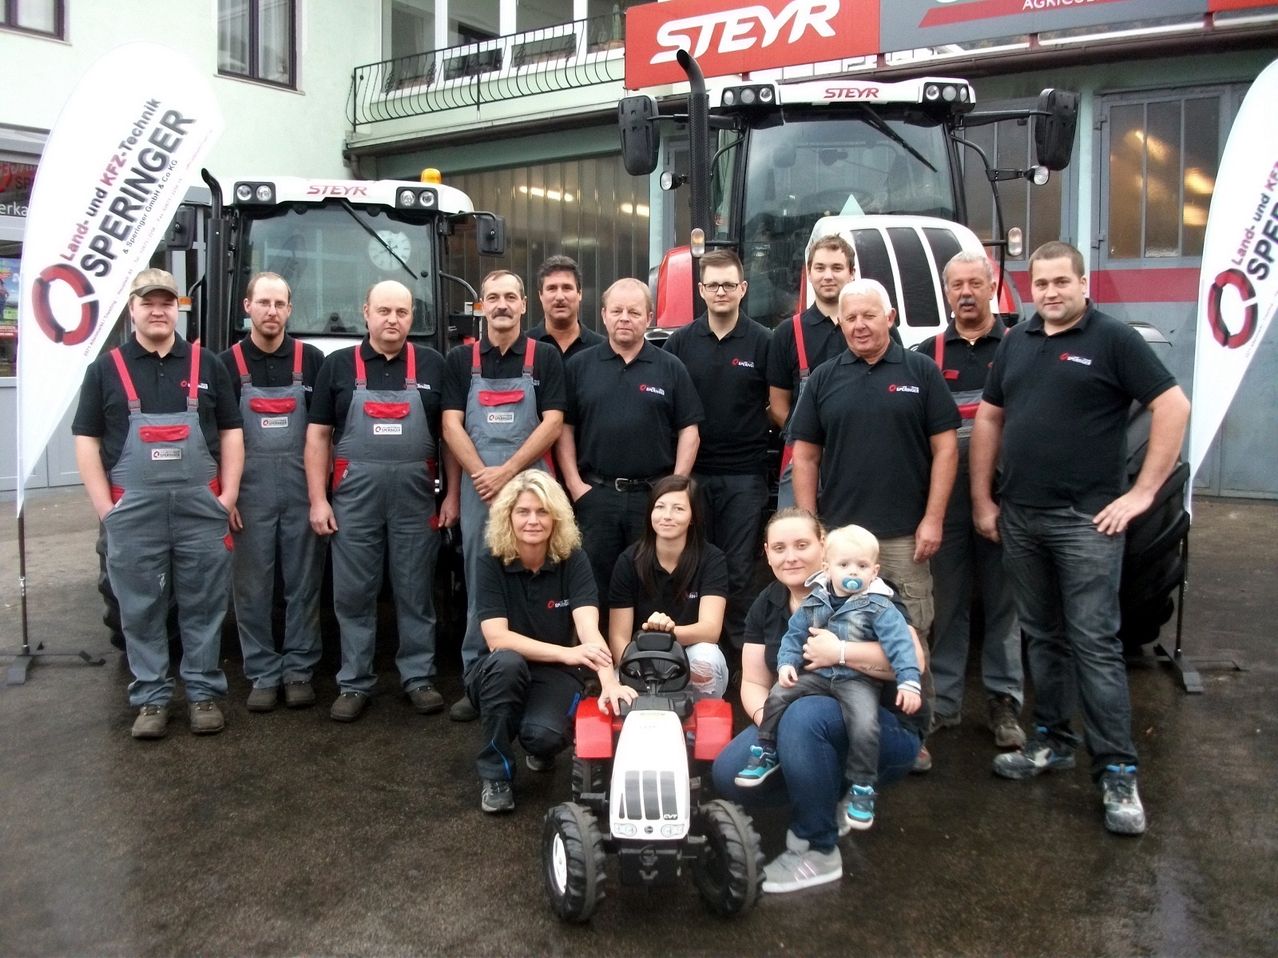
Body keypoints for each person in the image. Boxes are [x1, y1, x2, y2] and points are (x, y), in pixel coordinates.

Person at [970, 241, 1190, 835]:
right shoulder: (1017, 342)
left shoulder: (1114, 340)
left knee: (1094, 643)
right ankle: (1052, 741)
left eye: (1062, 282)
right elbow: (990, 416)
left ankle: (1117, 770)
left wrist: (1142, 494)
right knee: (1042, 637)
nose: (1051, 292)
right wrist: (984, 498)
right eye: (1041, 283)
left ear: (1082, 282)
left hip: (1086, 522)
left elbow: (1172, 407)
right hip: (1022, 516)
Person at [711, 509, 929, 892]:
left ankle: (818, 848)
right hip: (803, 716)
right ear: (767, 553)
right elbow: (753, 683)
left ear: (823, 546)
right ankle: (826, 797)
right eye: (779, 548)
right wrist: (771, 724)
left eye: (801, 545)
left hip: (883, 728)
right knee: (729, 772)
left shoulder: (868, 588)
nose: (790, 556)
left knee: (805, 716)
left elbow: (913, 662)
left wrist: (841, 651)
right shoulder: (769, 602)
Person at [72, 268, 244, 739]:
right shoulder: (106, 369)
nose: (158, 310)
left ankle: (204, 693)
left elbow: (231, 431)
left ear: (178, 309)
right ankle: (151, 697)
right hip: (133, 513)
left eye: (166, 302)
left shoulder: (207, 365)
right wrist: (105, 508)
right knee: (142, 607)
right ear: (132, 309)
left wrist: (227, 494)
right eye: (148, 302)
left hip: (199, 512)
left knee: (203, 604)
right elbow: (86, 440)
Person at [305, 280, 458, 723]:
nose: (393, 319)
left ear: (413, 317)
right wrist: (319, 499)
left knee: (415, 591)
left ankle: (419, 677)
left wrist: (451, 494)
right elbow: (317, 438)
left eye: (402, 312)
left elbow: (448, 438)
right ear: (365, 312)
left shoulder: (433, 364)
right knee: (353, 593)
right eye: (384, 311)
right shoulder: (336, 367)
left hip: (415, 500)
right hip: (354, 500)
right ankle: (354, 682)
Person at [790, 277, 958, 644]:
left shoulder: (921, 371)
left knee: (911, 636)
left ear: (891, 317)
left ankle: (915, 703)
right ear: (840, 323)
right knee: (842, 635)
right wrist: (812, 528)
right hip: (841, 536)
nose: (859, 325)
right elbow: (804, 457)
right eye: (850, 318)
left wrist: (933, 519)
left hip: (905, 536)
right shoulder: (823, 378)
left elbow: (946, 449)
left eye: (869, 315)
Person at [464, 470, 636, 813]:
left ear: (556, 517)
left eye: (542, 512)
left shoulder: (573, 559)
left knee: (543, 737)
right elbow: (498, 639)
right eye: (523, 511)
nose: (533, 521)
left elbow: (589, 628)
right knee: (508, 663)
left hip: (555, 672)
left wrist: (609, 682)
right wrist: (570, 653)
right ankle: (496, 774)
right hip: (496, 669)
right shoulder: (491, 561)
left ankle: (535, 740)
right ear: (508, 516)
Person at [735, 524, 921, 831]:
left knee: (861, 720)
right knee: (779, 695)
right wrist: (785, 665)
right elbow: (793, 637)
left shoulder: (880, 603)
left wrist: (906, 679)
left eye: (861, 566)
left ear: (873, 571)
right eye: (845, 565)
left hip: (857, 684)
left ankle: (861, 787)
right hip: (819, 681)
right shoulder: (812, 600)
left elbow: (904, 649)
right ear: (828, 566)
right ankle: (768, 752)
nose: (853, 572)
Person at [442, 269, 566, 722]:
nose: (501, 305)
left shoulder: (545, 358)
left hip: (531, 483)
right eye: (492, 297)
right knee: (481, 579)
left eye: (510, 297)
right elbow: (450, 425)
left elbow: (553, 422)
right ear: (482, 306)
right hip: (480, 487)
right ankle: (477, 675)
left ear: (522, 305)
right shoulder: (461, 361)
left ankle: (540, 671)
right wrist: (482, 475)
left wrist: (509, 474)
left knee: (538, 574)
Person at [913, 251, 1025, 748]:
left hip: (1009, 493)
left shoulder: (1021, 347)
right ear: (945, 290)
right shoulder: (927, 354)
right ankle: (946, 702)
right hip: (946, 500)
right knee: (949, 603)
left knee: (1005, 605)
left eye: (974, 283)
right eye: (955, 284)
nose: (964, 292)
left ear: (991, 285)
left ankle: (1004, 704)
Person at [218, 272, 326, 712]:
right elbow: (220, 435)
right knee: (252, 587)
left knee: (304, 585)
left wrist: (322, 493)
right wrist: (228, 495)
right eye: (263, 303)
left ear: (289, 309)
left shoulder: (313, 360)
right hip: (250, 495)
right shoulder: (225, 365)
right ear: (248, 307)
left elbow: (324, 434)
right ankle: (262, 671)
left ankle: (299, 669)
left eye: (279, 304)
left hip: (302, 490)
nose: (271, 312)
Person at [556, 277, 703, 594]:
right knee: (593, 583)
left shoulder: (671, 367)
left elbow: (690, 431)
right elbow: (564, 429)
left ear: (648, 318)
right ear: (604, 314)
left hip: (651, 498)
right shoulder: (579, 366)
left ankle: (646, 644)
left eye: (634, 312)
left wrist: (673, 490)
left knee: (648, 582)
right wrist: (575, 485)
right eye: (618, 310)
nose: (625, 318)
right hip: (596, 496)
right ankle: (596, 644)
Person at [665, 249, 771, 652]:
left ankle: (739, 655)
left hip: (745, 475)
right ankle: (692, 651)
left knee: (739, 568)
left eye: (729, 284)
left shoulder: (764, 342)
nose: (721, 291)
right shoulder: (680, 343)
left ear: (743, 289)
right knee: (690, 563)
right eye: (713, 285)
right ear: (701, 290)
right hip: (694, 475)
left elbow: (775, 404)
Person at [607, 475, 730, 700]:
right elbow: (618, 636)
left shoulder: (711, 559)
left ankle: (697, 733)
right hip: (640, 652)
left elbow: (711, 630)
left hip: (689, 649)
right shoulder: (629, 560)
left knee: (707, 659)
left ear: (693, 516)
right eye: (660, 507)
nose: (667, 516)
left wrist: (666, 633)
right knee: (614, 689)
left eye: (678, 509)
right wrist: (639, 657)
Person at [766, 235, 856, 509]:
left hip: (858, 459)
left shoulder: (875, 330)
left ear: (852, 274)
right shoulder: (787, 334)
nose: (828, 276)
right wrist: (812, 440)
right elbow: (778, 407)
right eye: (820, 268)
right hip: (801, 458)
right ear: (809, 273)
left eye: (837, 268)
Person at [527, 255, 604, 359]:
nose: (560, 297)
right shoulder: (524, 346)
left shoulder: (602, 348)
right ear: (540, 295)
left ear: (579, 293)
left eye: (567, 288)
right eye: (552, 288)